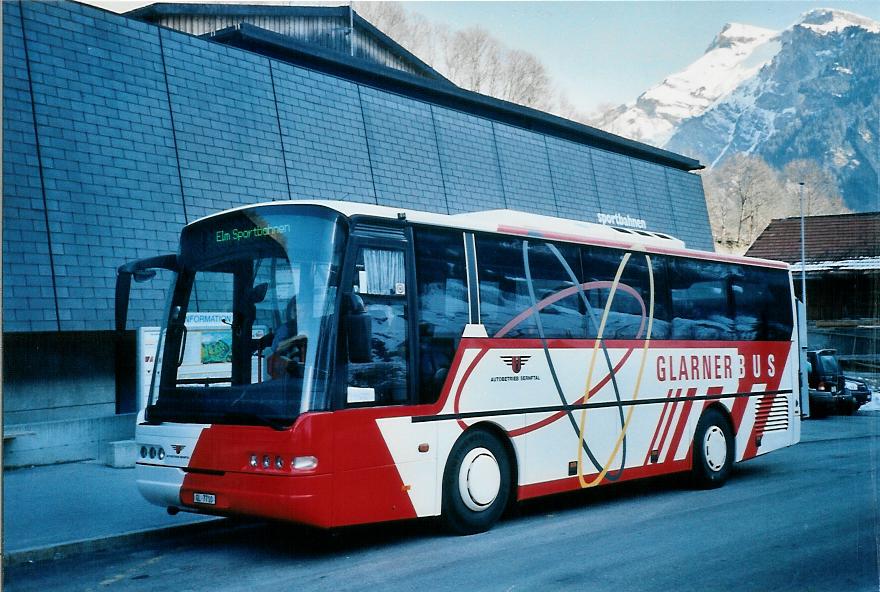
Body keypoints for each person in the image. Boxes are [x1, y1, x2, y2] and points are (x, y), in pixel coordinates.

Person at [267, 296, 307, 379]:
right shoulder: (286, 328)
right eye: (295, 310)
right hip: (290, 374)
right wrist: (295, 339)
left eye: (302, 310)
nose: (298, 314)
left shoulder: (315, 327)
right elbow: (277, 348)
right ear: (290, 312)